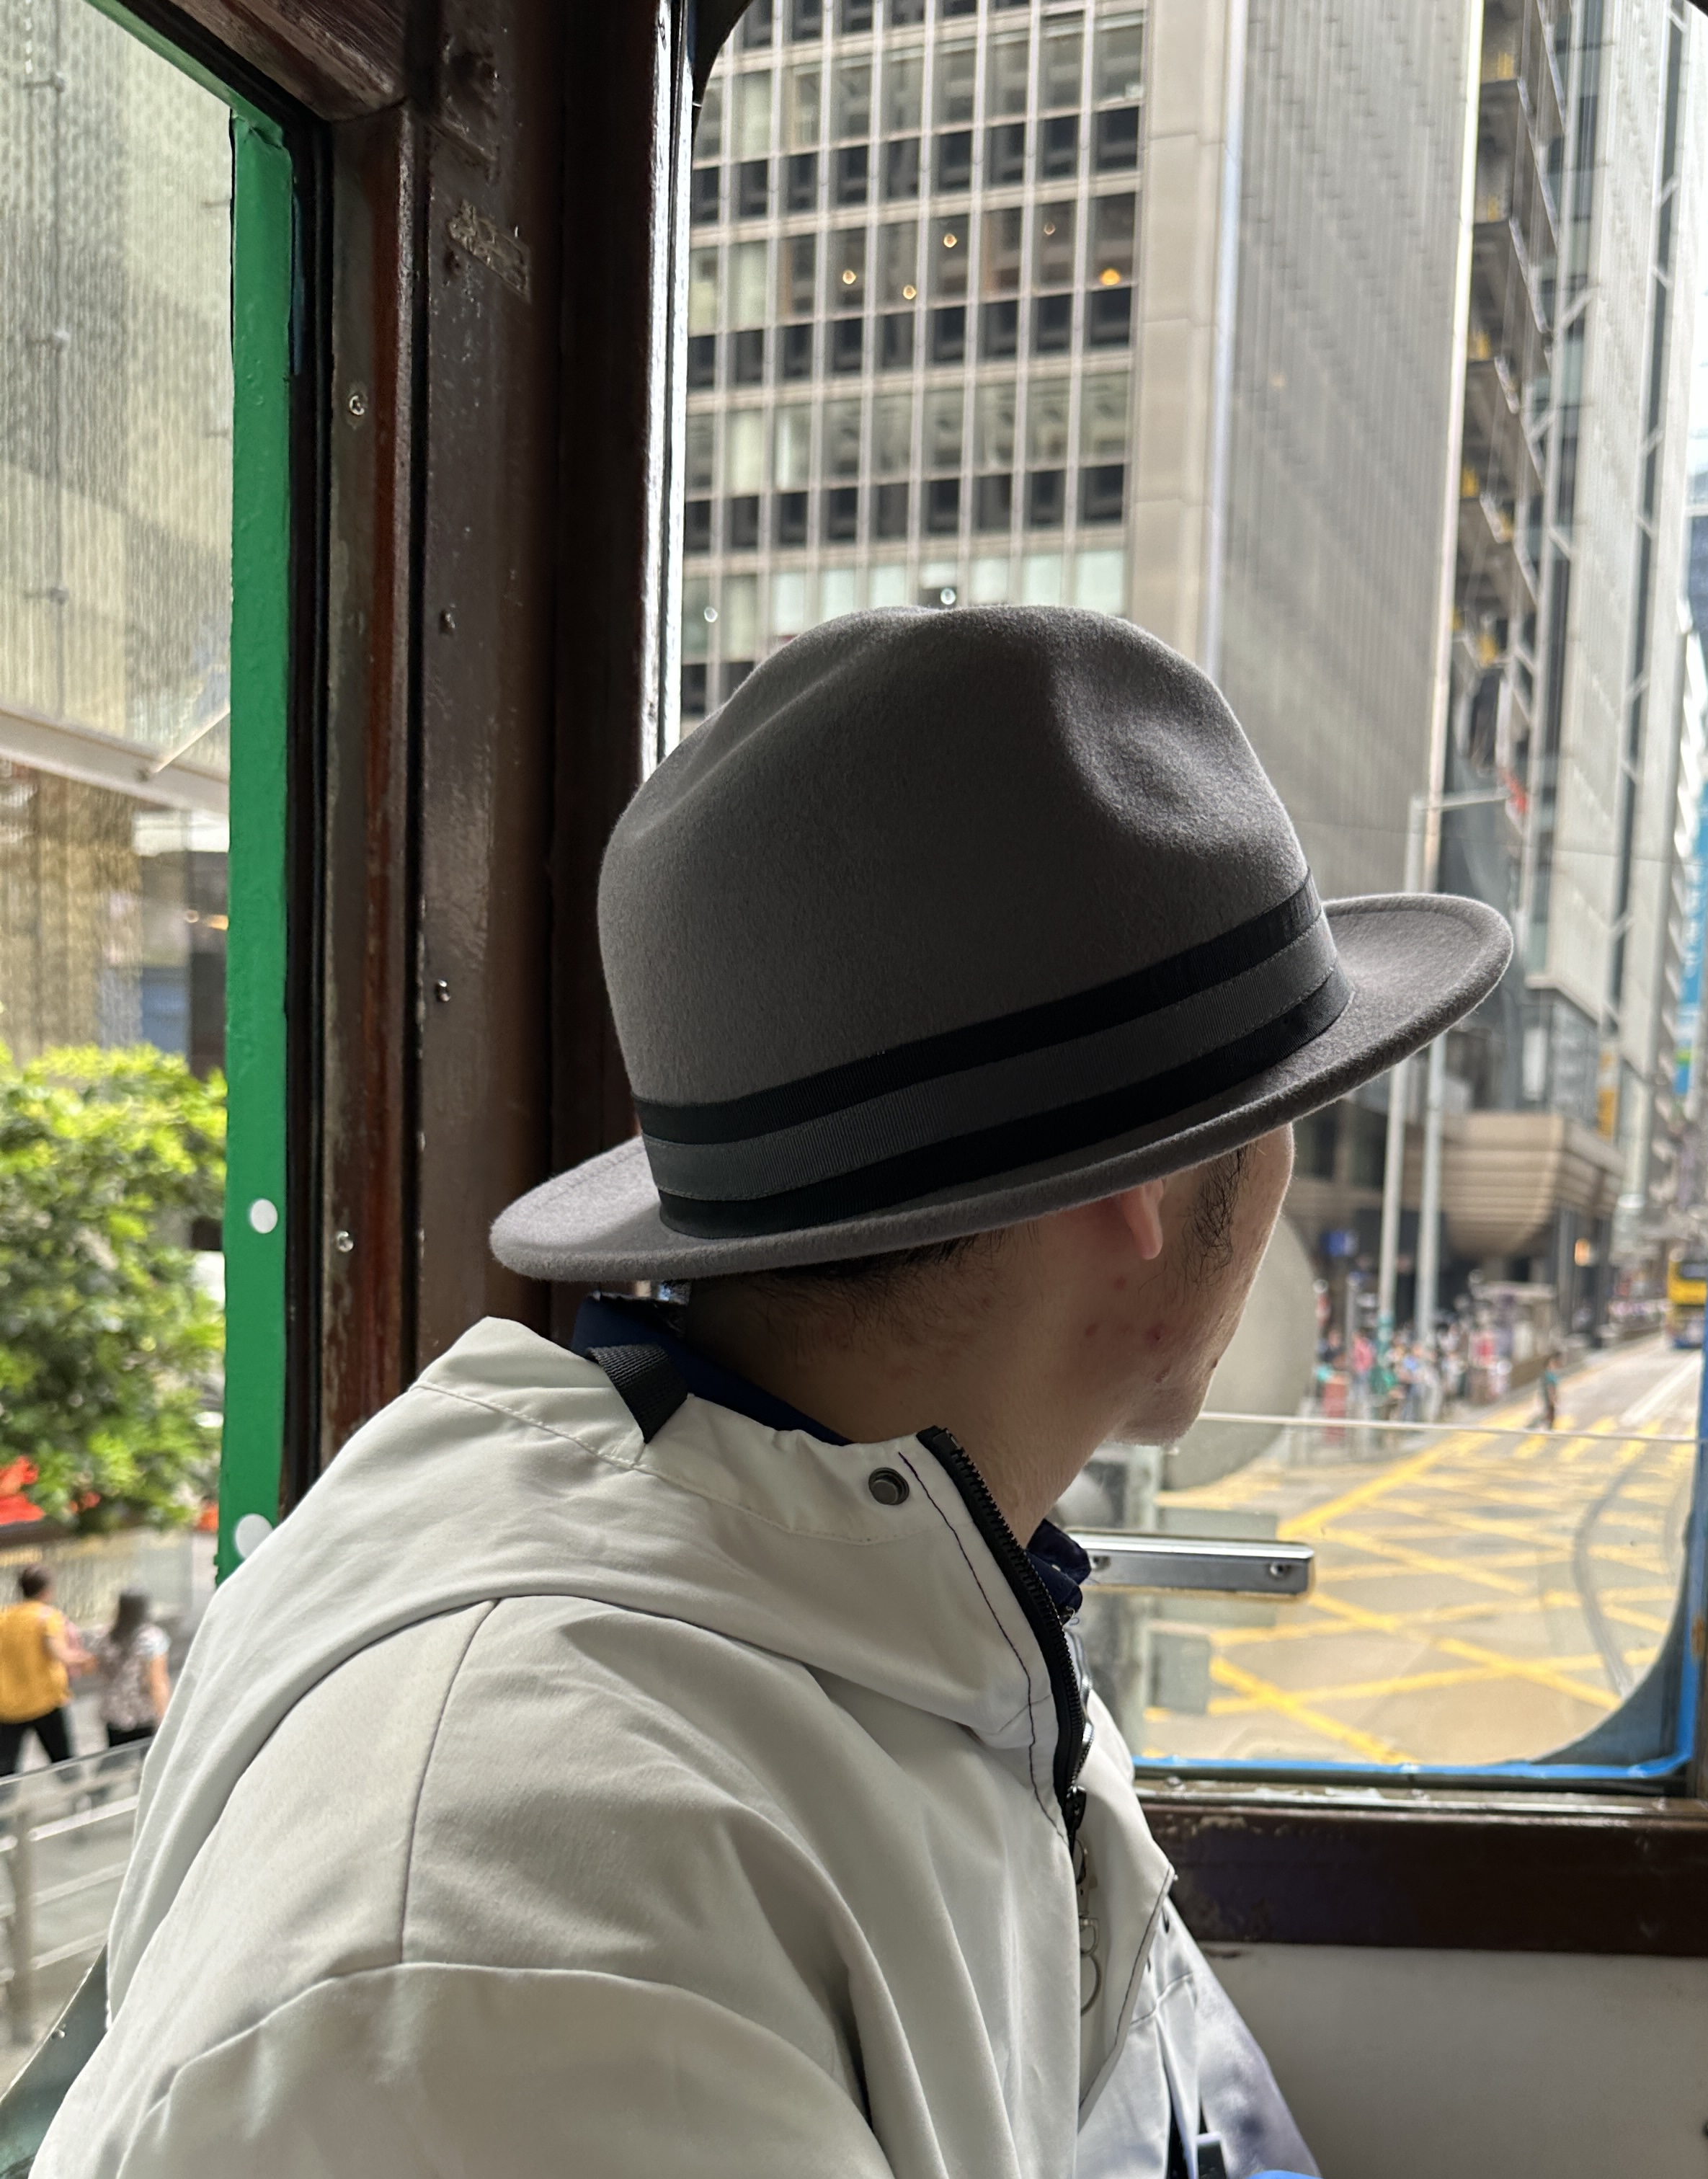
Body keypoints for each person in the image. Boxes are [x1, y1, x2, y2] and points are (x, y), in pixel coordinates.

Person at [41, 608, 1510, 2178]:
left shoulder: (919, 1605)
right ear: (1145, 1185)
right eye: (1285, 1101)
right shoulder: (532, 1973)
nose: (1283, 1165)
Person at [0, 1566, 86, 1775]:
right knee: (63, 1760)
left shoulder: (5, 1616)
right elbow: (61, 1655)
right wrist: (89, 1659)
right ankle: (75, 1792)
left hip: (8, 1705)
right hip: (45, 1701)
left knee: (6, 1768)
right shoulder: (47, 1617)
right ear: (47, 1591)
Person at [93, 1589, 170, 1749]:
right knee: (147, 1757)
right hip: (142, 1712)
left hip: (114, 1711)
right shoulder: (152, 1639)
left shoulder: (105, 1635)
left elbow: (97, 1667)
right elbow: (157, 1682)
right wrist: (164, 1716)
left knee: (117, 1756)